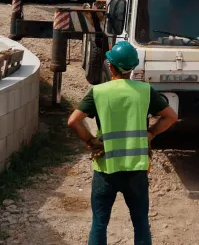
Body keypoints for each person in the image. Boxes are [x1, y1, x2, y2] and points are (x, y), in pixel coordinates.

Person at [67, 40, 178, 245]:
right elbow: (171, 116)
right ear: (132, 68)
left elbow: (73, 121)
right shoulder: (145, 91)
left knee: (99, 222)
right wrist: (151, 133)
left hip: (106, 168)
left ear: (111, 67)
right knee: (140, 223)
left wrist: (91, 141)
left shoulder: (99, 92)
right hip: (136, 169)